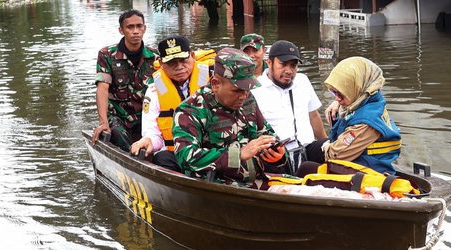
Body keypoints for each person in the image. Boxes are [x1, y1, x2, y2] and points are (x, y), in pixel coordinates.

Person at [172, 48, 286, 185]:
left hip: (257, 182)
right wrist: (238, 154)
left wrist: (275, 153)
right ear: (215, 84)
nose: (243, 96)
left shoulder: (248, 99)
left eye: (247, 89)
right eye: (236, 90)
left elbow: (265, 133)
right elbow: (186, 157)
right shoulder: (190, 110)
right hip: (217, 187)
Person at [250, 40, 328, 169]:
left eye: (293, 65)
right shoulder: (255, 89)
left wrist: (325, 143)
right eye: (283, 64)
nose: (289, 71)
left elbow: (313, 115)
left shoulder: (303, 81)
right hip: (278, 155)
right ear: (269, 63)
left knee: (333, 147)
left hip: (307, 147)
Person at [317, 56, 402, 174]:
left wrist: (326, 147)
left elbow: (335, 155)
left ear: (356, 88)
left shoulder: (365, 123)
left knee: (306, 167)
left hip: (368, 174)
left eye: (341, 93)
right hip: (365, 163)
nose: (336, 98)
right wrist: (339, 103)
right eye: (333, 92)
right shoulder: (371, 99)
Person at [93, 9, 157, 151]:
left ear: (144, 28)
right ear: (121, 30)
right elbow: (102, 88)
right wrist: (103, 122)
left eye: (139, 26)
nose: (135, 31)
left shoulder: (155, 56)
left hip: (146, 116)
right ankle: (133, 158)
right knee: (118, 133)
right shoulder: (107, 55)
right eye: (130, 27)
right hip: (118, 116)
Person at [129, 35, 195, 170]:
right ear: (161, 63)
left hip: (210, 151)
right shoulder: (154, 91)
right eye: (172, 62)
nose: (179, 67)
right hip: (177, 153)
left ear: (192, 55)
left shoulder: (213, 82)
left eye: (183, 60)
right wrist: (148, 140)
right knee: (162, 158)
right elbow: (153, 134)